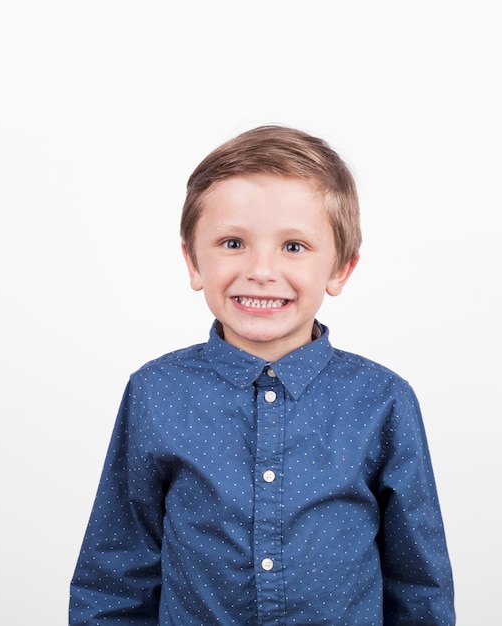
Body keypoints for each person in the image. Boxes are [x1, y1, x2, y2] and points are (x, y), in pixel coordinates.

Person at [69, 125, 455, 625]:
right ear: (193, 261)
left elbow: (419, 584)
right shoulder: (156, 391)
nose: (261, 270)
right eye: (233, 242)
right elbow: (115, 574)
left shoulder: (382, 400)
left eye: (294, 247)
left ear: (340, 268)